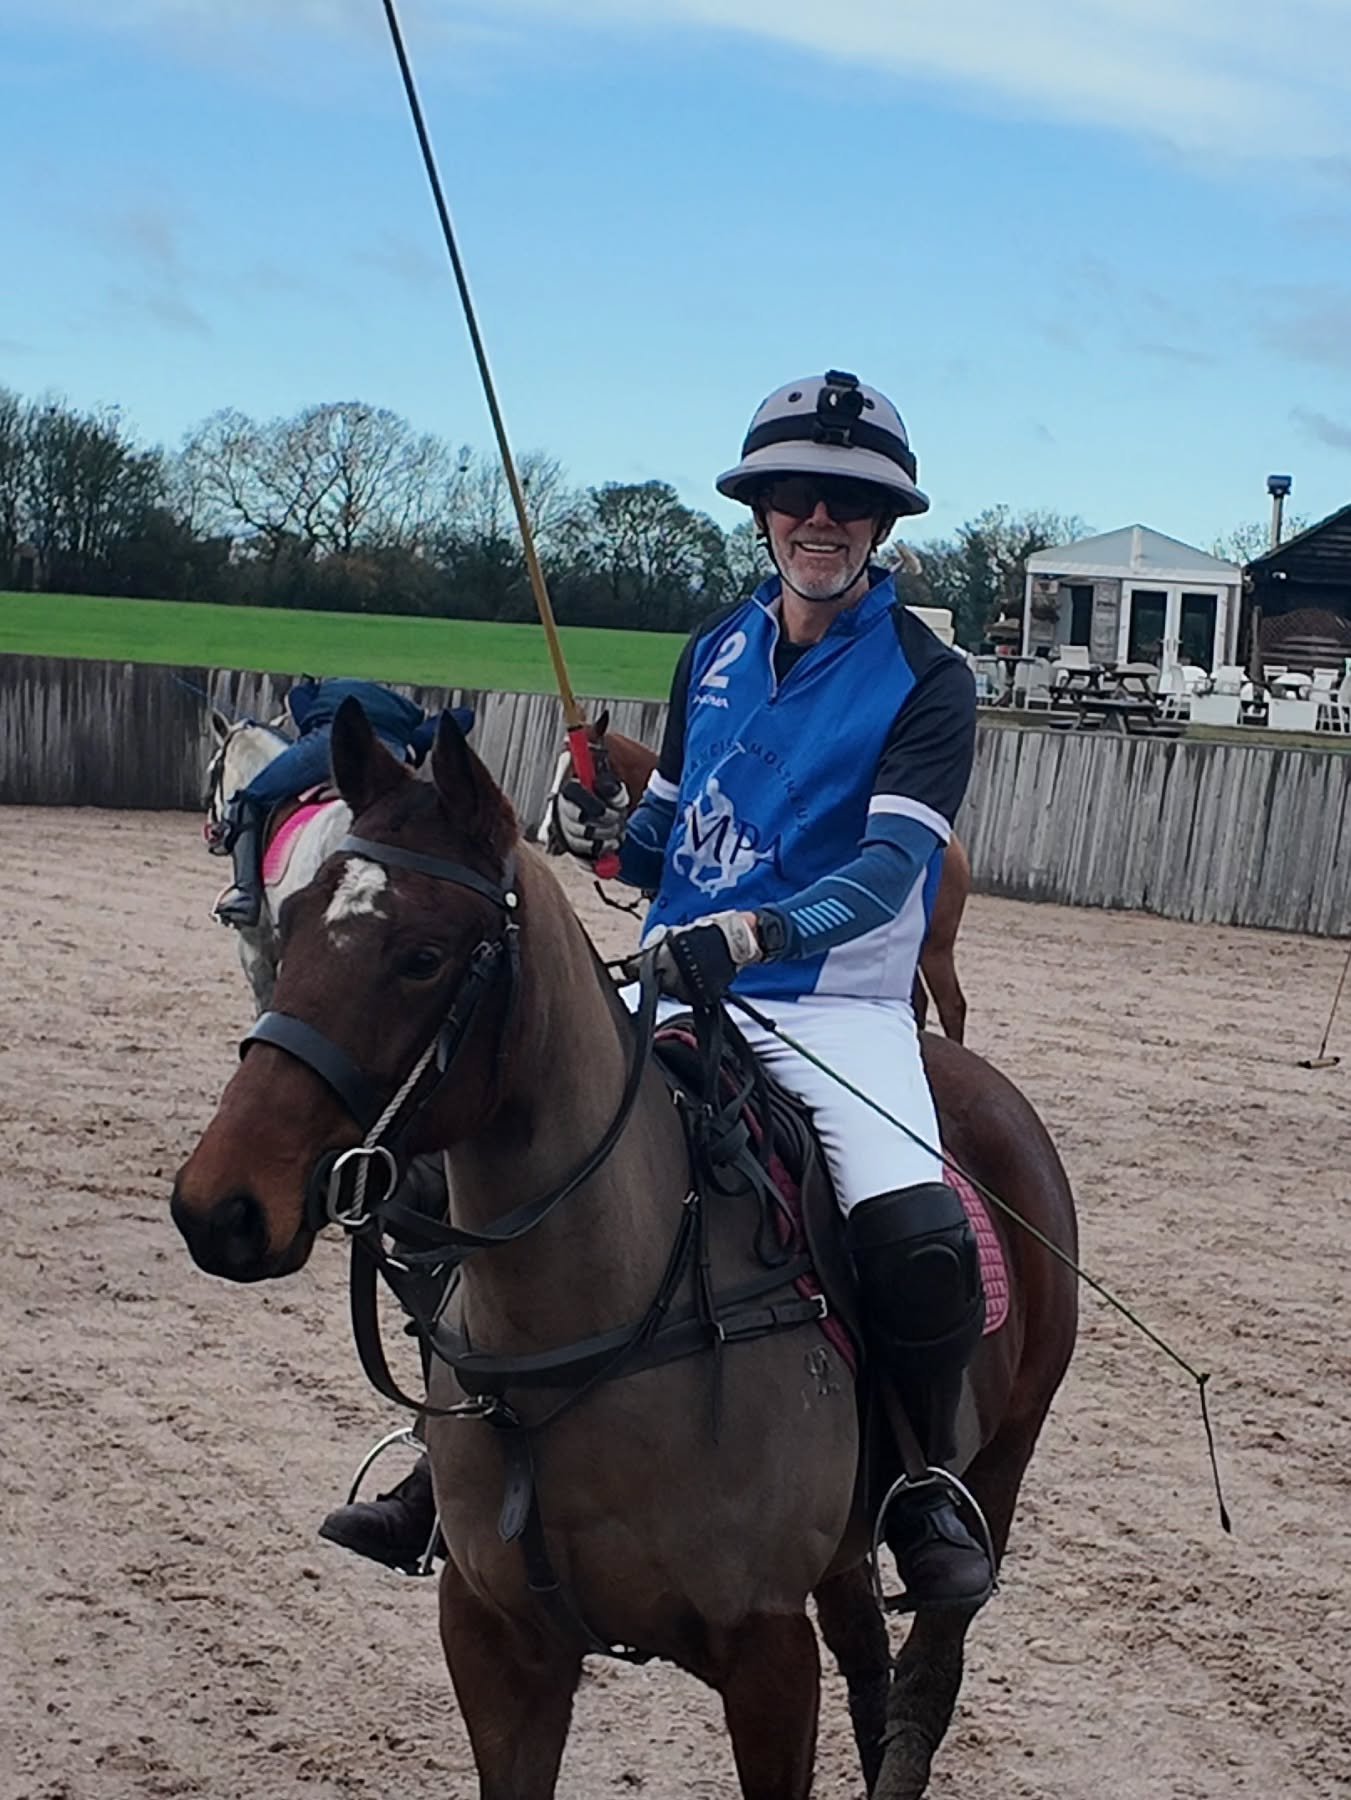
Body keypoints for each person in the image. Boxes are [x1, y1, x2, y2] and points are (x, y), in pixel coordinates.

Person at [324, 371, 991, 1613]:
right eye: (797, 494)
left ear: (884, 521)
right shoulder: (715, 652)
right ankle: (446, 1445)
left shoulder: (926, 678)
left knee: (915, 1231)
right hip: (674, 981)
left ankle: (913, 1485)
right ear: (762, 511)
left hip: (829, 1007)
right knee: (436, 1170)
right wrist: (598, 829)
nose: (820, 517)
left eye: (849, 499)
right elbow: (669, 840)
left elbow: (892, 869)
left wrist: (749, 937)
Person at [210, 678, 474, 928]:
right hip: (389, 752)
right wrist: (413, 748)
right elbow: (464, 716)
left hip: (329, 740)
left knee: (248, 798)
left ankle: (245, 894)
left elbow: (296, 698)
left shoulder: (317, 692)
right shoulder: (410, 712)